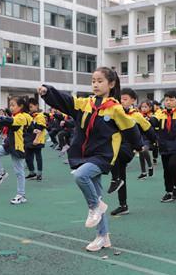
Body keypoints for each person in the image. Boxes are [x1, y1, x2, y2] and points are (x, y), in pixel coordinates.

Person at [37, 67, 142, 252]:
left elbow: (130, 128)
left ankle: (95, 206)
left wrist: (139, 146)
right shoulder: (85, 103)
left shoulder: (116, 108)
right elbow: (66, 101)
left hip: (104, 156)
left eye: (100, 81)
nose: (95, 84)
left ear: (111, 84)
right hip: (85, 154)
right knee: (97, 193)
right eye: (93, 80)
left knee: (80, 176)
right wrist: (48, 92)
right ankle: (103, 237)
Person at [108, 88, 155, 216]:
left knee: (114, 157)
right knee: (121, 176)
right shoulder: (115, 113)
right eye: (120, 99)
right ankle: (123, 205)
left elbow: (149, 129)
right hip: (117, 146)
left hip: (129, 148)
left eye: (125, 99)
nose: (122, 101)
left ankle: (115, 179)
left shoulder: (136, 115)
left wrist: (155, 142)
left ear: (133, 101)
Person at [0, 97, 33, 205]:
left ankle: (21, 195)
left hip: (18, 146)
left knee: (19, 172)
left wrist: (1, 119)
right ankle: (1, 173)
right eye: (10, 105)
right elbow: (9, 122)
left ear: (21, 106)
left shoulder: (23, 117)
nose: (11, 107)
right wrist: (0, 120)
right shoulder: (15, 116)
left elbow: (12, 122)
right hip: (9, 144)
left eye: (13, 105)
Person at [25, 98, 47, 181]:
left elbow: (40, 129)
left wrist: (36, 139)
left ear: (36, 106)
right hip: (30, 140)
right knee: (28, 156)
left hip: (37, 140)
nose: (29, 109)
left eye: (31, 107)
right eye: (29, 107)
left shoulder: (40, 116)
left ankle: (39, 174)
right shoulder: (32, 116)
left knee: (38, 156)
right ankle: (32, 173)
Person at [137, 100, 155, 180]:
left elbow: (154, 126)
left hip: (148, 137)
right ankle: (143, 172)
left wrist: (149, 119)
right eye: (142, 107)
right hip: (140, 137)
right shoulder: (138, 115)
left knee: (144, 150)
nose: (143, 109)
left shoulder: (153, 116)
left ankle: (150, 166)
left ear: (150, 108)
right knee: (141, 154)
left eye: (145, 107)